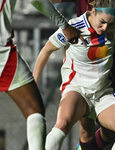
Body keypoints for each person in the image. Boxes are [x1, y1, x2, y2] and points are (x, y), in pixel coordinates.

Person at [33, 0, 115, 149]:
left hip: (103, 93)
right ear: (93, 11)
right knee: (64, 124)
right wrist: (33, 84)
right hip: (77, 90)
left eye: (109, 23)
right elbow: (45, 51)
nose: (105, 27)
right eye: (102, 22)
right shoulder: (73, 29)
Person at [0, 0, 86, 150]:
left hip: (5, 53)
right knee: (34, 111)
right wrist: (64, 25)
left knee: (35, 111)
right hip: (2, 53)